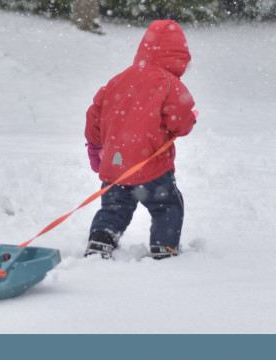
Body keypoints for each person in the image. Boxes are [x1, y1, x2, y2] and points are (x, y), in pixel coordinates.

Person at [84, 19, 198, 259]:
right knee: (167, 206)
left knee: (114, 208)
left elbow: (95, 113)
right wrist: (190, 120)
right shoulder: (169, 83)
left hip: (116, 165)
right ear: (180, 58)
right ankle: (163, 246)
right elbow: (181, 121)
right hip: (151, 166)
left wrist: (95, 148)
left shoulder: (119, 79)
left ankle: (101, 239)